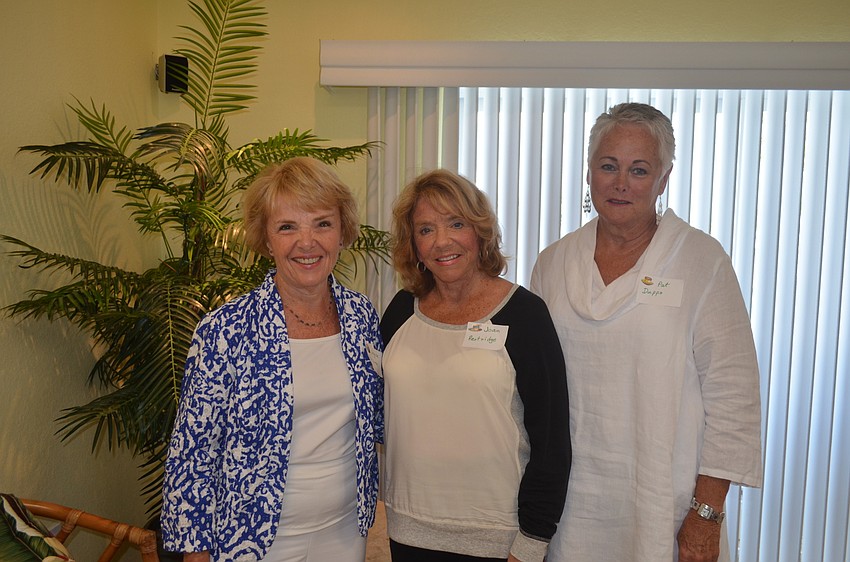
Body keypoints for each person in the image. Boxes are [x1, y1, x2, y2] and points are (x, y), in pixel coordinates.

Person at [531, 102, 762, 562]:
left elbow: (734, 396)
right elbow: (533, 387)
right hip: (571, 506)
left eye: (639, 170)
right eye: (608, 166)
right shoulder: (553, 263)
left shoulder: (700, 261)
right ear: (589, 172)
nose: (620, 183)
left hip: (666, 504)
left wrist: (706, 515)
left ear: (663, 178)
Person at [160, 157, 384, 562]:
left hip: (345, 530)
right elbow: (193, 454)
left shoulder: (361, 317)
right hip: (252, 538)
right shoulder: (225, 329)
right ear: (265, 240)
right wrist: (195, 552)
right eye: (287, 227)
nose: (307, 242)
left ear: (343, 231)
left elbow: (377, 419)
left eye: (322, 223)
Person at [380, 169, 571, 562]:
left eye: (456, 223)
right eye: (426, 230)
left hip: (498, 542)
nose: (443, 241)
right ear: (413, 245)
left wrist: (532, 545)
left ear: (479, 232)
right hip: (408, 532)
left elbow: (552, 443)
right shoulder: (401, 311)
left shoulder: (525, 315)